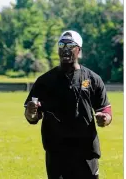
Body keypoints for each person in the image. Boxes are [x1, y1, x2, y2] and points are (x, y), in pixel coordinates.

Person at [24, 30, 112, 179]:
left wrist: (104, 119)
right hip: (57, 152)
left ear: (79, 50)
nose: (65, 48)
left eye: (70, 45)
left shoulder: (93, 79)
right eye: (61, 45)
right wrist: (31, 112)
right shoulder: (45, 81)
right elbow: (32, 117)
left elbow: (106, 111)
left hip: (86, 152)